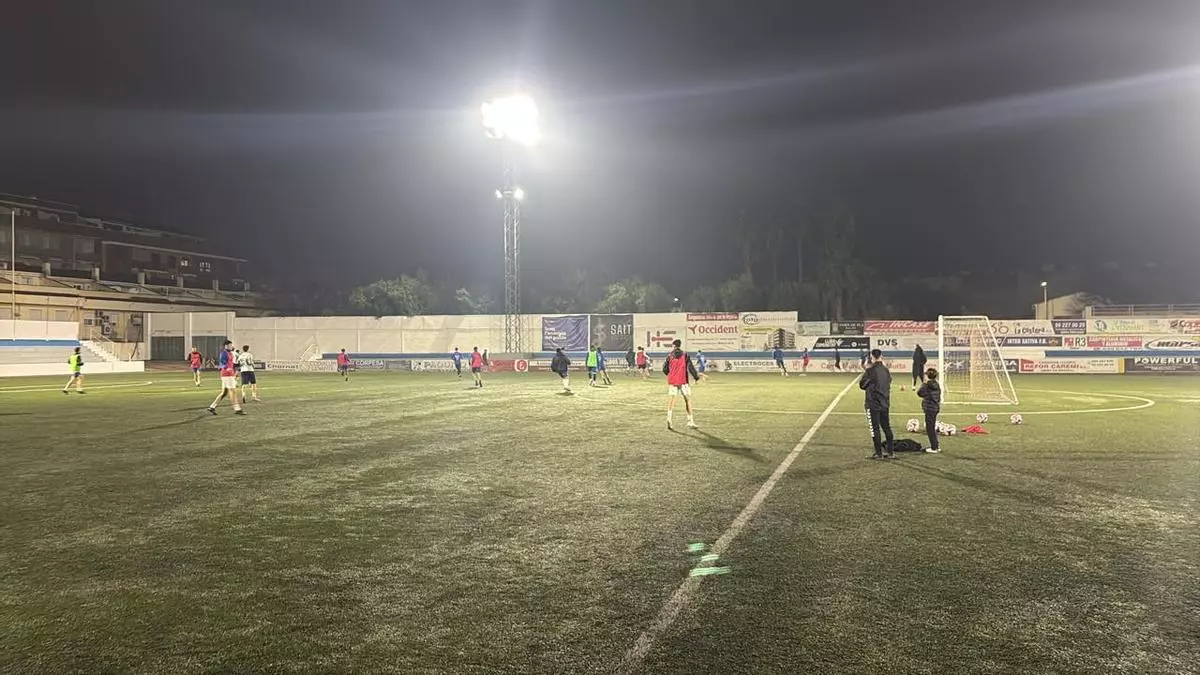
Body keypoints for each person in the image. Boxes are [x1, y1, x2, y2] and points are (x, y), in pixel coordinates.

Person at [859, 349, 894, 459]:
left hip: (873, 403)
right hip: (885, 402)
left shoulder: (870, 370)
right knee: (887, 427)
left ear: (872, 357)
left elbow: (862, 385)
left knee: (875, 429)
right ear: (881, 356)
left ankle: (879, 453)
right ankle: (891, 452)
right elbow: (889, 381)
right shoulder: (886, 370)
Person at [662, 339, 700, 430]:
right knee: (687, 400)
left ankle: (669, 418)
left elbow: (664, 369)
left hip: (673, 380)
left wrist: (671, 374)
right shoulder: (685, 355)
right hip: (683, 381)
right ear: (680, 345)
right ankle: (690, 421)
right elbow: (690, 367)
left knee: (671, 400)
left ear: (673, 346)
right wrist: (696, 377)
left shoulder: (669, 355)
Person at [208, 340, 244, 415]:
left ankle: (212, 407)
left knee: (224, 393)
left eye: (231, 345)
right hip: (227, 375)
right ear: (226, 346)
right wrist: (226, 368)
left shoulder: (230, 353)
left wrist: (238, 365)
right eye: (230, 345)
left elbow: (231, 363)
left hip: (229, 374)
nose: (231, 346)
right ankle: (237, 409)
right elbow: (222, 363)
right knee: (233, 391)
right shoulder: (224, 353)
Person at [916, 367, 941, 453]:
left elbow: (919, 393)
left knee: (930, 428)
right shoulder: (936, 384)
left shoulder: (927, 385)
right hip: (935, 407)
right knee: (931, 427)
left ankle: (934, 448)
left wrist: (924, 383)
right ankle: (936, 446)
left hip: (930, 408)